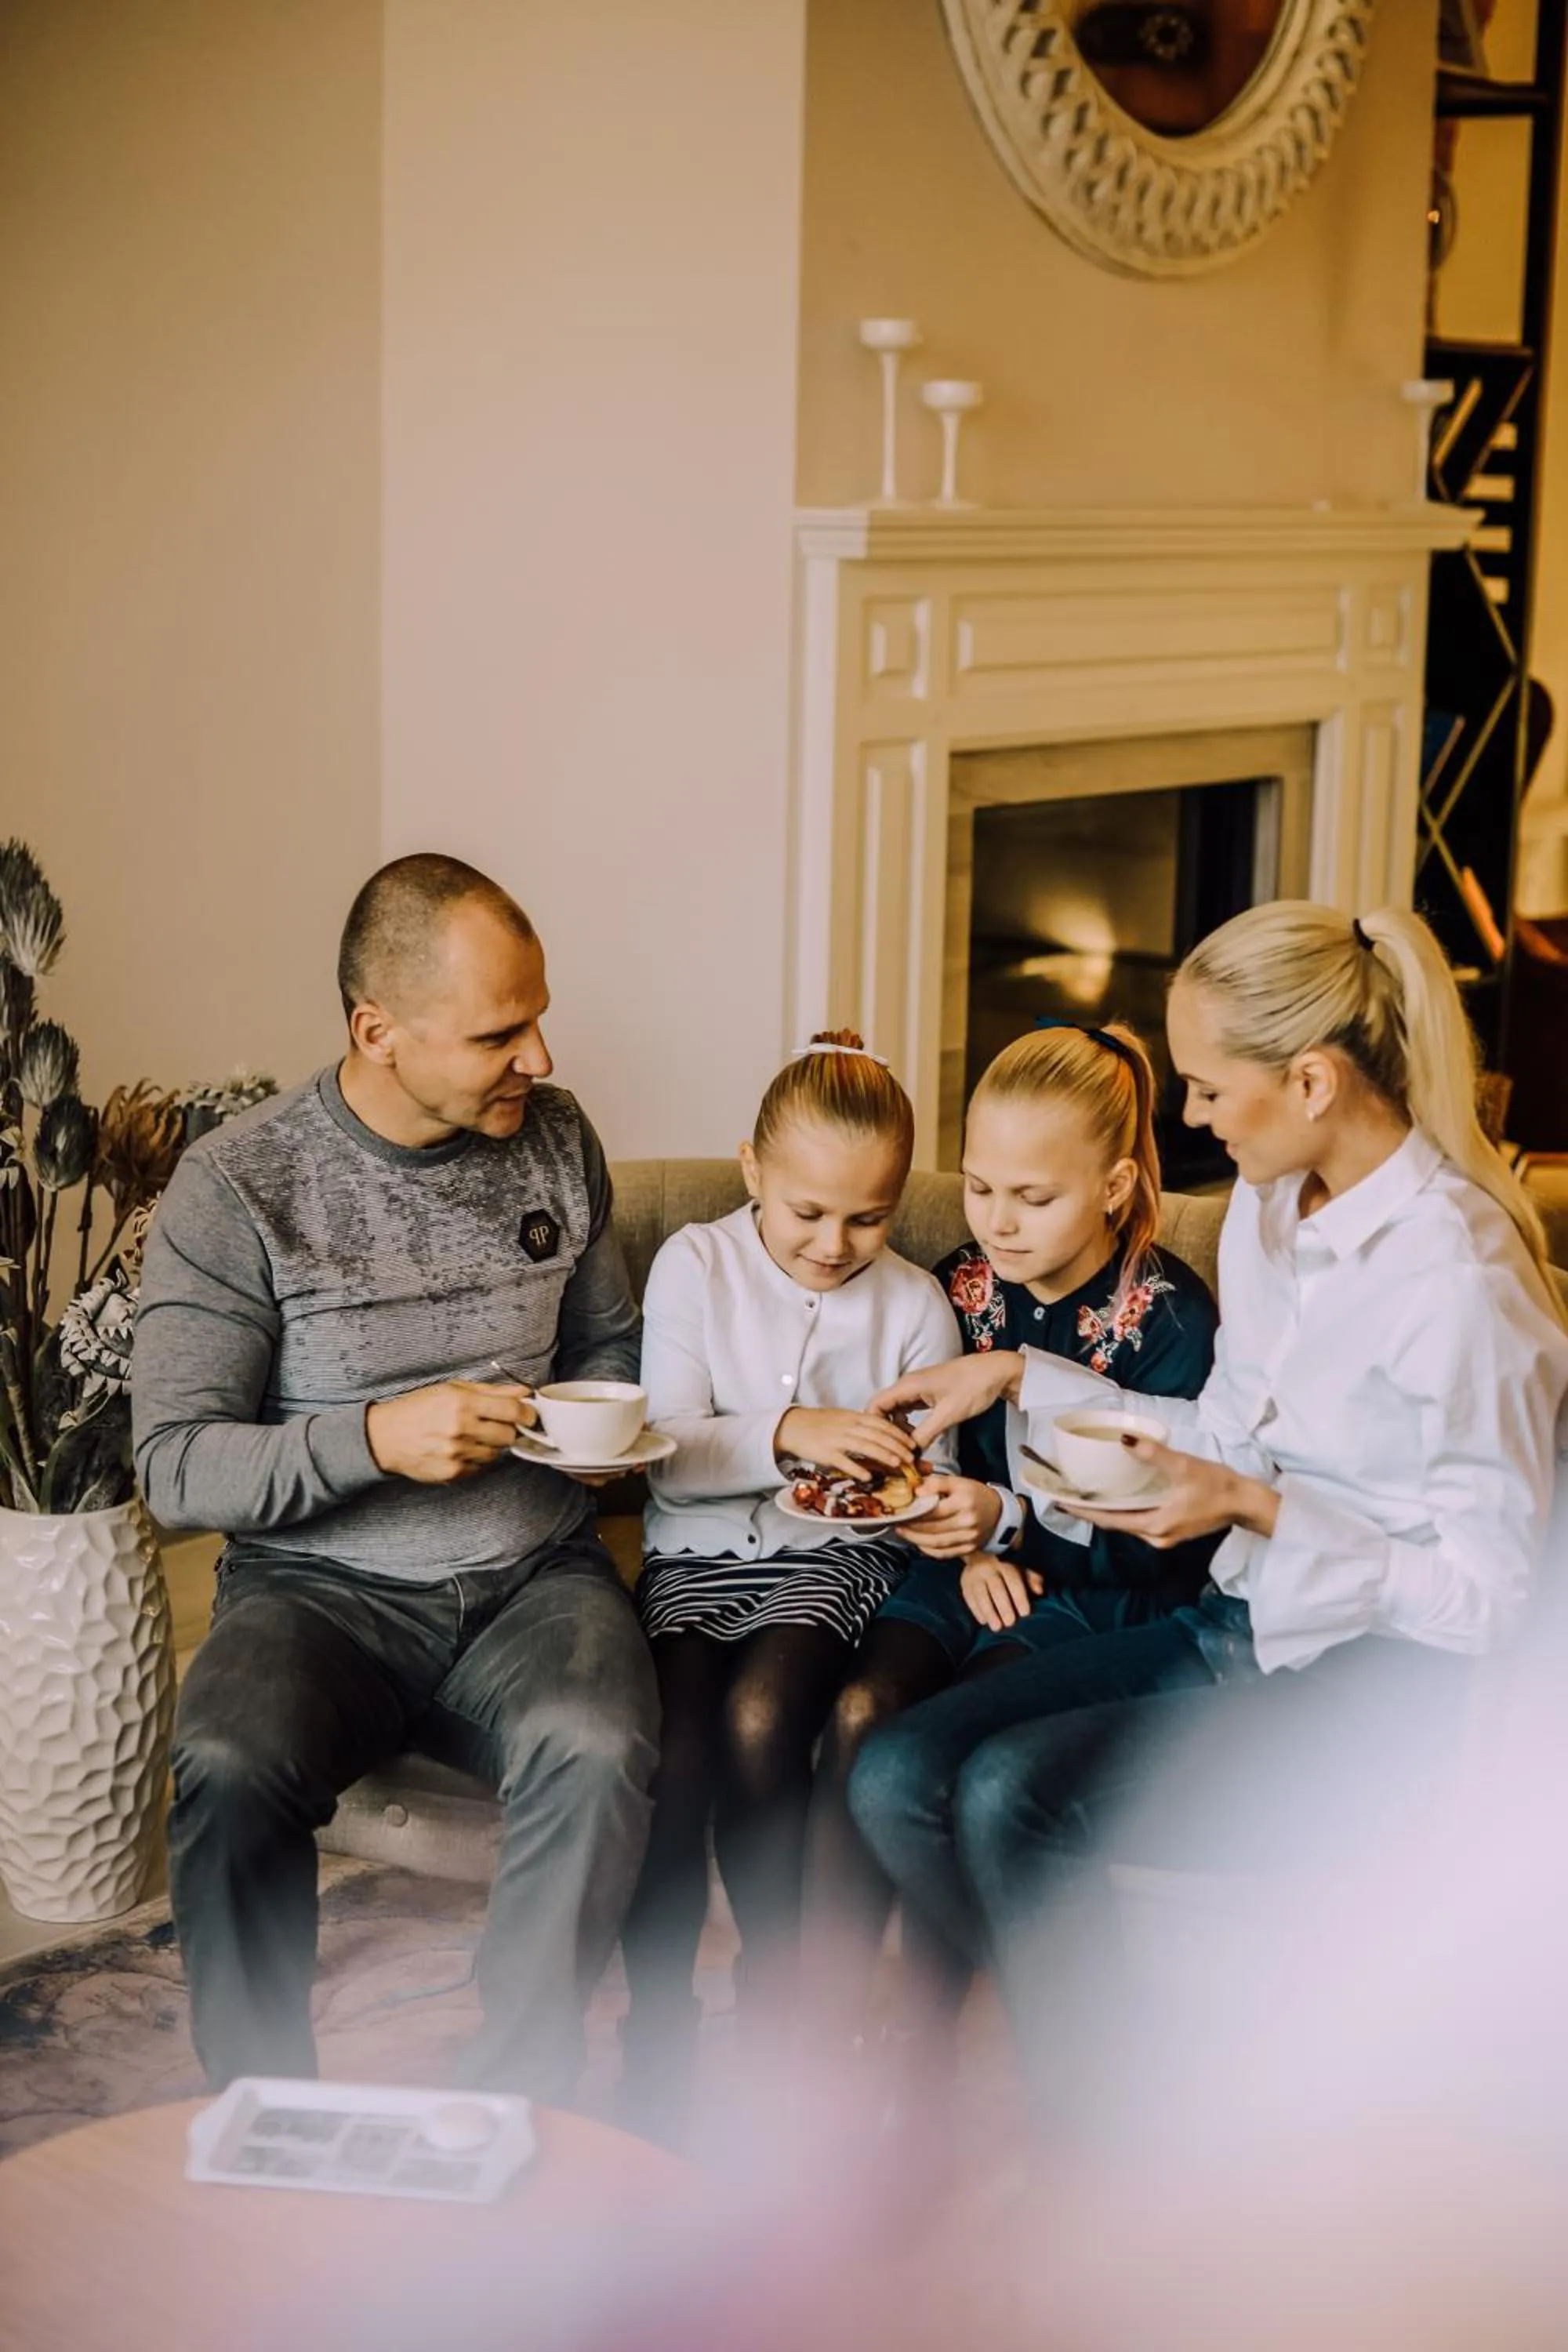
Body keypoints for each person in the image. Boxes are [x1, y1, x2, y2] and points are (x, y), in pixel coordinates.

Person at [852, 902, 1568, 2130]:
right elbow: (1231, 1430)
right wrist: (1017, 1376)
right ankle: (1139, 2070)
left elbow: (1496, 1598)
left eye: (1205, 1088)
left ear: (1310, 1080)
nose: (1189, 1118)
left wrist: (1257, 1507)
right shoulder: (1270, 1210)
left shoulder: (1461, 1283)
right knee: (895, 1774)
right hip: (1242, 1623)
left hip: (1382, 1690)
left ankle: (1113, 2142)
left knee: (1005, 1794)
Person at [132, 854, 659, 2099]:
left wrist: (577, 1427)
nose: (538, 1056)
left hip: (536, 1577)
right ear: (378, 1031)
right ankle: (267, 2106)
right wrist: (376, 1438)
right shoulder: (237, 1186)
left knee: (598, 1742)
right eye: (499, 1032)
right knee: (226, 1758)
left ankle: (509, 2099)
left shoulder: (556, 1140)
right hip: (318, 1596)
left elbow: (605, 1347)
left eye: (538, 1017)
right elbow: (174, 1468)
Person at [797, 1018, 1218, 2062]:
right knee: (861, 1708)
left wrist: (1011, 1523)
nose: (998, 1222)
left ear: (1116, 1185)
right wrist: (958, 1525)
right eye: (980, 1187)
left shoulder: (1170, 1323)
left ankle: (932, 2027)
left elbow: (1170, 1546)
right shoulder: (962, 1287)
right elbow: (915, 1453)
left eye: (1035, 1198)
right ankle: (821, 2018)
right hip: (961, 1569)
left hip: (1099, 1592)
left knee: (949, 1745)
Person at [616, 1030, 960, 2141]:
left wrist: (906, 1485)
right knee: (671, 1751)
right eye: (807, 1212)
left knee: (765, 1720)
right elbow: (664, 1449)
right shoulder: (694, 1266)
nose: (834, 1244)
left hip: (836, 1558)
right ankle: (657, 2022)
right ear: (753, 1167)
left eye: (869, 1217)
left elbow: (932, 1476)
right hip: (692, 1557)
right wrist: (791, 1434)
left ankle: (778, 1993)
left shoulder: (912, 1304)